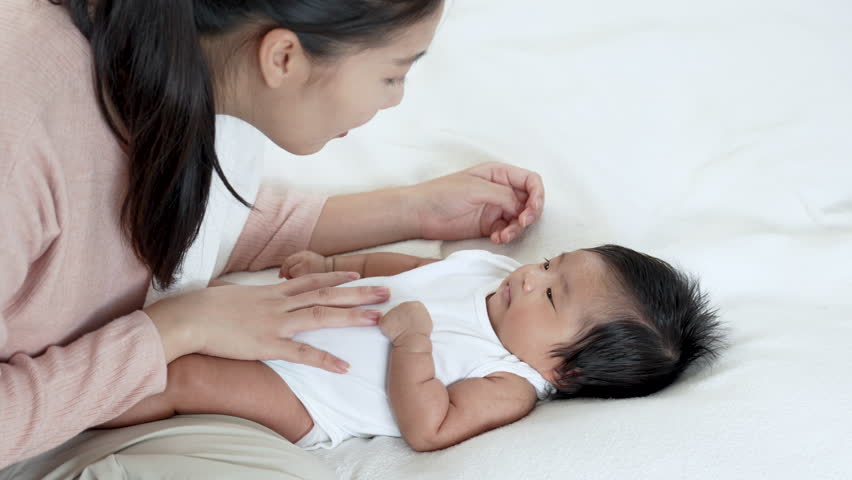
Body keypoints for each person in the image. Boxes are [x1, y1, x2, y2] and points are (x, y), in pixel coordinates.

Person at [0, 0, 548, 467]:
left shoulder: (176, 61)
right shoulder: (22, 136)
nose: (395, 99)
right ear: (283, 57)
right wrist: (173, 331)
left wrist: (413, 210)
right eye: (392, 74)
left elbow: (154, 228)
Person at [100, 246, 724, 452]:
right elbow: (410, 269)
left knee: (183, 380)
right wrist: (336, 264)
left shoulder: (509, 382)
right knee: (167, 315)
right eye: (548, 262)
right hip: (288, 324)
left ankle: (80, 409)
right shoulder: (494, 272)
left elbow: (431, 426)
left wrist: (413, 345)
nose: (530, 277)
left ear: (564, 369)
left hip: (313, 395)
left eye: (552, 296)